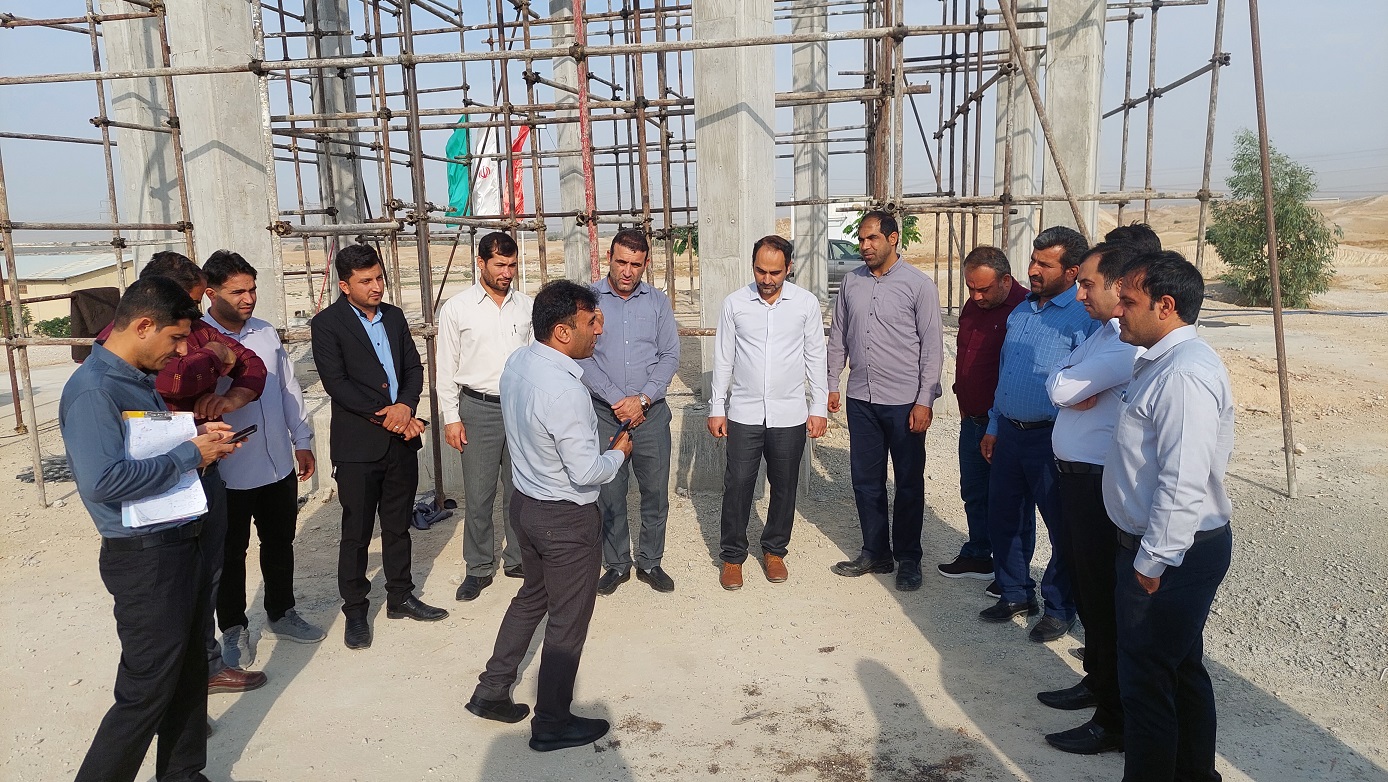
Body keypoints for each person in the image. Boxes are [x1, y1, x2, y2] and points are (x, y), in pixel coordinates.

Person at [62, 276, 240, 782]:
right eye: (177, 338)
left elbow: (141, 448)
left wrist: (198, 436)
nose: (183, 351)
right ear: (143, 326)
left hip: (179, 541)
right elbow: (103, 481)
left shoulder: (136, 379)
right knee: (145, 691)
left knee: (188, 673)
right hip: (145, 557)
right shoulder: (95, 390)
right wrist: (189, 455)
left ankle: (184, 774)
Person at [466, 280, 633, 752]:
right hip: (565, 519)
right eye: (590, 322)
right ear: (562, 331)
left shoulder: (519, 362)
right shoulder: (565, 391)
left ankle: (492, 690)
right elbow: (586, 472)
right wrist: (618, 453)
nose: (598, 331)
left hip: (527, 506)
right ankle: (552, 723)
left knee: (532, 597)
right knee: (567, 621)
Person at [99, 252, 269, 695]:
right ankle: (168, 692)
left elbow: (253, 365)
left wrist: (230, 398)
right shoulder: (115, 349)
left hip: (203, 469)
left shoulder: (196, 330)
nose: (193, 321)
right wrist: (214, 357)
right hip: (154, 483)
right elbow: (171, 381)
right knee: (165, 597)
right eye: (189, 307)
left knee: (206, 574)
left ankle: (203, 671)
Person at [1106, 251, 1234, 782]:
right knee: (1177, 670)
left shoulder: (1183, 375)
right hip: (1166, 549)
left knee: (1147, 683)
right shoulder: (1161, 363)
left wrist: (1151, 562)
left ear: (1165, 305)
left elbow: (1182, 481)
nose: (1117, 310)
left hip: (1170, 554)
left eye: (1128, 301)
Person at [311, 243, 448, 650]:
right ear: (344, 285)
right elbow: (337, 384)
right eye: (365, 281)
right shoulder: (327, 324)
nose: (376, 287)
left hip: (399, 442)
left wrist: (406, 406)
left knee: (397, 525)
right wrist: (389, 415)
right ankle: (355, 609)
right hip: (358, 447)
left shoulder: (394, 316)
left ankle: (400, 596)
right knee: (356, 532)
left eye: (379, 278)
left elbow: (413, 368)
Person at [1036, 242, 1145, 755]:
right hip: (1075, 478)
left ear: (1119, 285)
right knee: (1087, 587)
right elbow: (1056, 379)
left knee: (1102, 597)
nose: (1080, 294)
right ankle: (1097, 683)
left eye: (1088, 284)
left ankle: (1113, 718)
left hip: (1098, 482)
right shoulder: (1103, 334)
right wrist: (1068, 385)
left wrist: (1068, 387)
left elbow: (1060, 390)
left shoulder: (1124, 345)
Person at [202, 250, 325, 668]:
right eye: (237, 291)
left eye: (252, 289)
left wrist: (301, 439)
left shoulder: (266, 333)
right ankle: (234, 628)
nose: (249, 298)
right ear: (211, 293)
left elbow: (289, 389)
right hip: (230, 468)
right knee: (230, 553)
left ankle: (281, 612)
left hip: (277, 465)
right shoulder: (200, 343)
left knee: (279, 542)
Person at [979, 225, 1099, 641]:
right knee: (1005, 518)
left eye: (1044, 264)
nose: (1032, 269)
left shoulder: (1085, 319)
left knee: (1061, 527)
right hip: (1010, 435)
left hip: (1053, 439)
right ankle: (1014, 593)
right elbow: (1006, 374)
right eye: (1033, 260)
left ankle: (1060, 607)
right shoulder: (1021, 311)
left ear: (1071, 272)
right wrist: (994, 424)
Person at [826, 210, 944, 591]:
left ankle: (909, 558)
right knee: (865, 480)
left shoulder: (919, 286)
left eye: (871, 238)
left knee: (908, 482)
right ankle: (876, 551)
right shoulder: (851, 282)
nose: (864, 246)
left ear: (893, 239)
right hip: (861, 398)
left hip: (905, 402)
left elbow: (932, 348)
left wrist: (925, 400)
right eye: (861, 239)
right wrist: (831, 383)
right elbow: (838, 336)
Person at [707, 235, 828, 590]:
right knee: (738, 485)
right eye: (761, 270)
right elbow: (723, 358)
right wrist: (717, 407)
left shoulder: (805, 304)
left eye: (775, 272)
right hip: (744, 412)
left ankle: (774, 551)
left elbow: (815, 357)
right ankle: (732, 557)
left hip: (789, 413)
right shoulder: (735, 304)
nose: (767, 279)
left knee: (785, 485)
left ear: (789, 268)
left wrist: (818, 407)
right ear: (753, 266)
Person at [435, 232, 535, 602]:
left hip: (519, 408)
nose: (507, 272)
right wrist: (451, 417)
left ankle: (518, 559)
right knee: (479, 495)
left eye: (512, 265)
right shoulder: (457, 308)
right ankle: (478, 568)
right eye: (500, 265)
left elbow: (535, 360)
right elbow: (445, 368)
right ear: (481, 263)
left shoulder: (527, 307)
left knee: (521, 489)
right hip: (477, 410)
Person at [580, 229, 680, 595]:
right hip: (606, 414)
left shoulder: (658, 302)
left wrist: (643, 400)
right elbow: (581, 355)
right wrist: (619, 401)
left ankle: (650, 561)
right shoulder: (587, 300)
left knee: (655, 492)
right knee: (610, 492)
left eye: (636, 265)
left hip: (651, 414)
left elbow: (670, 355)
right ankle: (617, 563)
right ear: (609, 258)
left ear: (646, 264)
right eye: (621, 262)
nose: (627, 271)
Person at [935, 246, 1029, 591]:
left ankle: (1012, 574)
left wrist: (996, 420)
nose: (976, 296)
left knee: (1009, 502)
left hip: (1003, 425)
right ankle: (978, 554)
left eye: (984, 289)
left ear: (1005, 280)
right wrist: (962, 394)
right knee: (974, 492)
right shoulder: (974, 305)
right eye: (970, 288)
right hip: (971, 419)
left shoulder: (1025, 309)